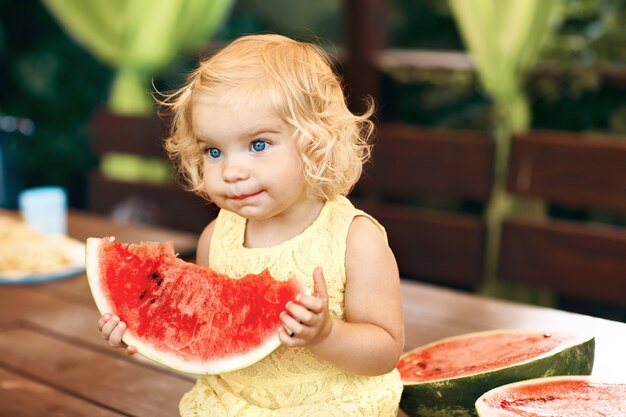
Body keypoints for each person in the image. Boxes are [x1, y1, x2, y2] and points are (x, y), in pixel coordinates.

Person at [97, 33, 404, 416]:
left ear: (315, 143)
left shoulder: (356, 240)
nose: (232, 171)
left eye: (258, 144)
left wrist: (327, 334)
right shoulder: (216, 237)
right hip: (232, 406)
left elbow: (385, 351)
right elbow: (206, 337)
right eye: (213, 150)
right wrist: (144, 327)